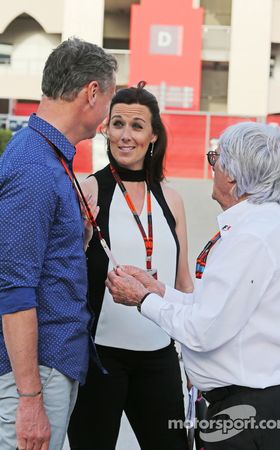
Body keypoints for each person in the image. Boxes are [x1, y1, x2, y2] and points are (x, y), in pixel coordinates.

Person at [107, 122, 280, 450]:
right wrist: (159, 292)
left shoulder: (250, 237)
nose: (211, 168)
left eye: (215, 159)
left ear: (233, 176)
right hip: (257, 402)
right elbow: (216, 308)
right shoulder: (268, 223)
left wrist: (142, 300)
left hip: (246, 412)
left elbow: (203, 331)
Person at [0, 37, 117, 450]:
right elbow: (14, 290)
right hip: (36, 373)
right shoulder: (34, 167)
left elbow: (41, 259)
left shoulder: (49, 156)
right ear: (92, 92)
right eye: (110, 98)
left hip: (48, 367)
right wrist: (30, 399)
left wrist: (79, 233)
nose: (108, 115)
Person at [68, 81, 193, 450]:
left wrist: (196, 358)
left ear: (153, 135)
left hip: (159, 357)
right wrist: (84, 236)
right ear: (105, 129)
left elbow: (184, 282)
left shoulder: (172, 198)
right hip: (100, 360)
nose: (126, 135)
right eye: (118, 123)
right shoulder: (89, 190)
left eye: (137, 126)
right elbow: (67, 272)